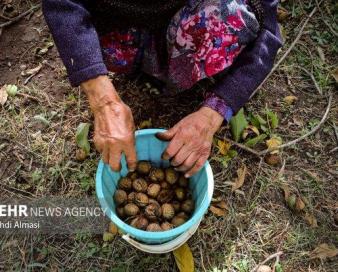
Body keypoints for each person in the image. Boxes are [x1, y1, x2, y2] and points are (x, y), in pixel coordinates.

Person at [42, 0, 282, 177]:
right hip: (119, 26)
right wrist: (102, 99)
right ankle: (145, 63)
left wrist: (213, 114)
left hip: (187, 23)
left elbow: (267, 33)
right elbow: (61, 5)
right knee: (81, 32)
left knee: (234, 17)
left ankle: (171, 66)